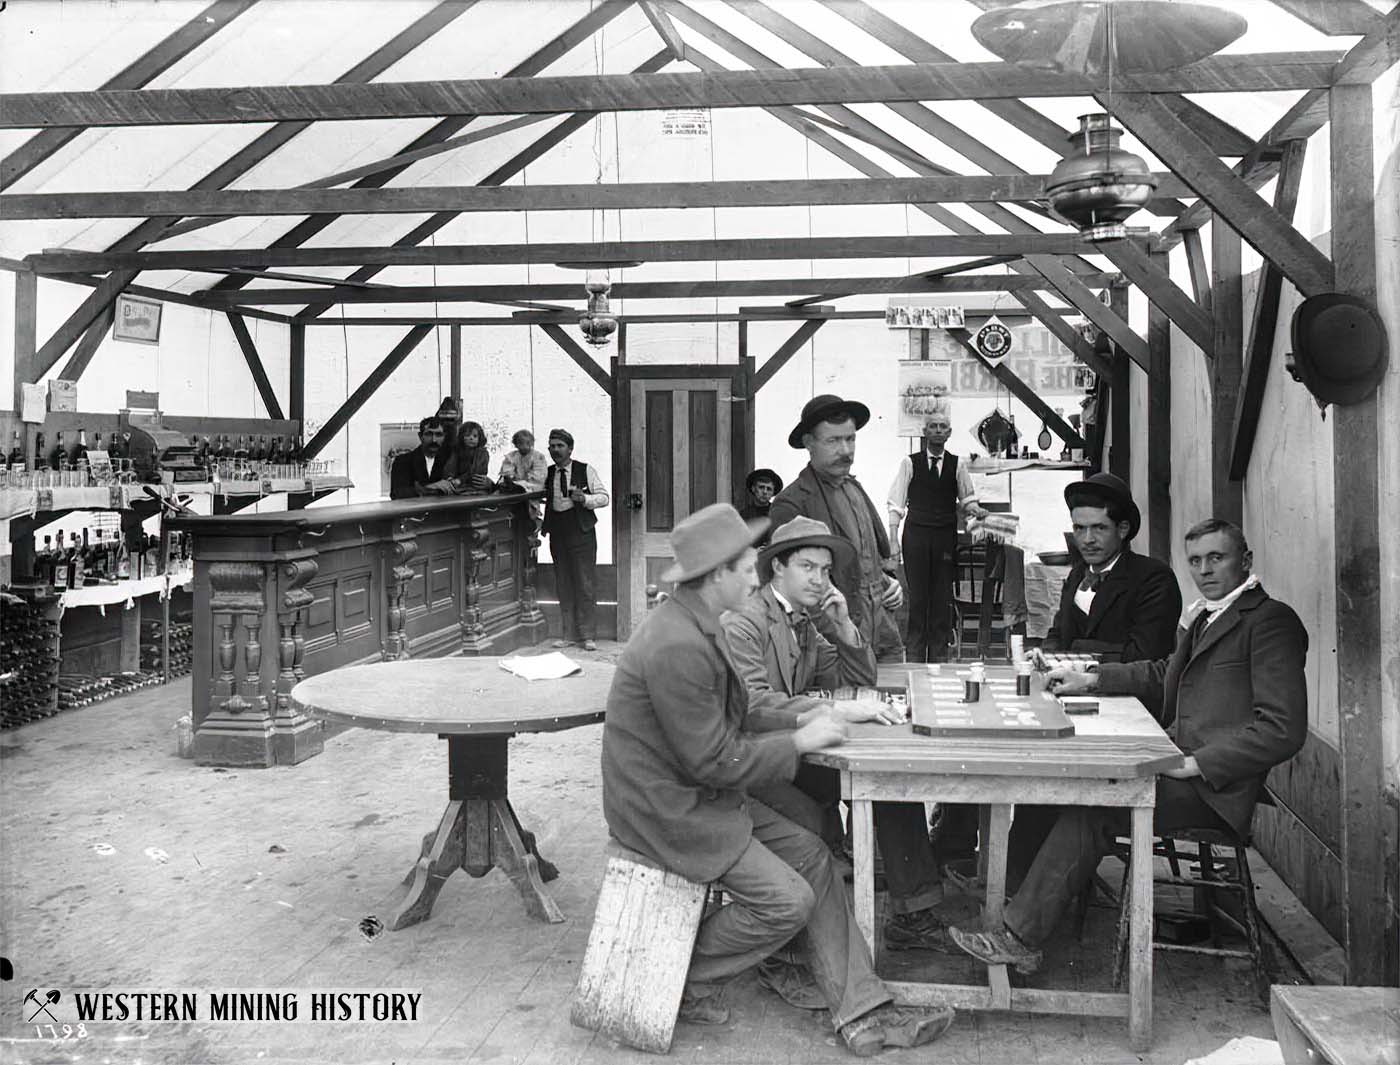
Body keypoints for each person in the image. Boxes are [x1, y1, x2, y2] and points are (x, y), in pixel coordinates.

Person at [601, 503, 955, 1054]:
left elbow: (744, 711)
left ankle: (862, 1014)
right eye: (746, 569)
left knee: (813, 856)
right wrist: (797, 741)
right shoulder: (678, 644)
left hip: (703, 794)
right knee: (787, 901)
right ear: (715, 575)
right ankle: (673, 972)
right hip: (668, 810)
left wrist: (812, 716)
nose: (755, 576)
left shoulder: (700, 623)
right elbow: (711, 761)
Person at [949, 518, 1308, 972]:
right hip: (1178, 764)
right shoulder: (1207, 615)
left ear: (1246, 561)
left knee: (1092, 807)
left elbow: (1283, 729)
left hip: (1214, 789)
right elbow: (1161, 674)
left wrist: (1195, 763)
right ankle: (1022, 907)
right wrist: (1091, 678)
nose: (1204, 570)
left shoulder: (1270, 621)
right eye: (1195, 561)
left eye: (1216, 558)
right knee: (1057, 786)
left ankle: (1020, 936)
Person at [722, 515, 959, 985]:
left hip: (793, 753)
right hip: (751, 766)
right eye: (807, 567)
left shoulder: (806, 620)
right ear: (777, 571)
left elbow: (856, 678)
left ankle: (912, 912)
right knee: (823, 813)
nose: (819, 579)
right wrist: (831, 712)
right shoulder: (745, 622)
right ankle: (800, 945)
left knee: (888, 779)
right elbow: (752, 705)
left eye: (826, 571)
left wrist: (846, 625)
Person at [769, 395, 905, 663]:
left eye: (850, 438)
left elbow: (869, 560)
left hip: (885, 636)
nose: (845, 450)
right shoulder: (791, 504)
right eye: (833, 441)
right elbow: (793, 588)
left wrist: (890, 584)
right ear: (809, 444)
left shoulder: (854, 489)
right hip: (835, 646)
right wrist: (842, 634)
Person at [1038, 472, 1181, 664]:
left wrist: (1075, 652)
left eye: (1099, 528)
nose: (1087, 539)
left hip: (1127, 693)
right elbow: (1059, 632)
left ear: (1122, 529)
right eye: (1079, 528)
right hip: (1068, 689)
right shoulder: (1077, 574)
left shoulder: (1154, 578)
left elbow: (1146, 655)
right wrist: (1046, 655)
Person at [886, 409, 987, 663]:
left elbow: (967, 498)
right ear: (925, 432)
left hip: (944, 536)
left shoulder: (958, 464)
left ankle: (939, 656)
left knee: (941, 596)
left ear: (950, 433)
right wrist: (893, 539)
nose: (939, 430)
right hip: (916, 535)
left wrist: (976, 509)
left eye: (943, 427)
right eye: (934, 426)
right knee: (918, 597)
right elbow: (896, 502)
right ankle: (916, 657)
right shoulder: (909, 463)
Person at [542, 428, 608, 652]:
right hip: (558, 533)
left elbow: (604, 497)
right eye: (552, 446)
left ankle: (587, 635)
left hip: (581, 532)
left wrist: (585, 498)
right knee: (563, 582)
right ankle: (568, 635)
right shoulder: (548, 472)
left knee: (585, 583)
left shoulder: (585, 469)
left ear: (570, 448)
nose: (555, 450)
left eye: (560, 446)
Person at [388, 416, 455, 499]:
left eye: (438, 435)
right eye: (429, 434)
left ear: (444, 437)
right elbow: (397, 494)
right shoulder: (403, 461)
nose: (434, 440)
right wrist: (430, 488)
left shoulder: (450, 460)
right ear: (420, 436)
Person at [498, 428, 549, 525]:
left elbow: (539, 475)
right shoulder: (511, 456)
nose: (524, 446)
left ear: (532, 443)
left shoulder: (538, 457)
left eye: (528, 443)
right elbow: (507, 471)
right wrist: (510, 477)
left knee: (527, 507)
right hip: (514, 487)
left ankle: (531, 525)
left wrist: (522, 483)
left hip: (531, 487)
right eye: (521, 443)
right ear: (516, 444)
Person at [448, 419, 495, 493]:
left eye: (475, 436)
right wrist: (450, 477)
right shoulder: (457, 451)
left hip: (476, 485)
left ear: (480, 438)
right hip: (458, 485)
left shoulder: (482, 453)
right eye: (467, 435)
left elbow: (476, 470)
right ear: (461, 437)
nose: (471, 438)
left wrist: (460, 480)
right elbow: (450, 466)